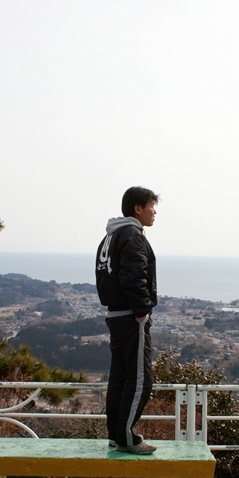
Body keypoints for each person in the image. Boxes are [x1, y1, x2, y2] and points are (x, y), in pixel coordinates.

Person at [95, 186, 159, 454]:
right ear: (138, 208)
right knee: (140, 379)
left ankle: (116, 434)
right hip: (131, 317)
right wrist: (142, 310)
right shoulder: (132, 234)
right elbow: (134, 276)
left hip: (115, 315)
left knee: (120, 378)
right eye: (152, 206)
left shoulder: (110, 236)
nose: (155, 211)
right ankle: (126, 438)